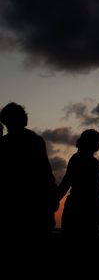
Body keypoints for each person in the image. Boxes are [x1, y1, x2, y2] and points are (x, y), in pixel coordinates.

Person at [0, 103, 57, 245]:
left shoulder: (4, 143)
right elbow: (46, 173)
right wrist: (52, 198)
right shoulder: (35, 141)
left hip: (14, 207)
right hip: (35, 206)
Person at [57, 129, 99, 243]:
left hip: (87, 209)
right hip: (81, 208)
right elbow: (67, 182)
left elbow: (96, 189)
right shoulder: (79, 159)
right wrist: (53, 199)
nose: (98, 143)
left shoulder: (92, 161)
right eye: (97, 141)